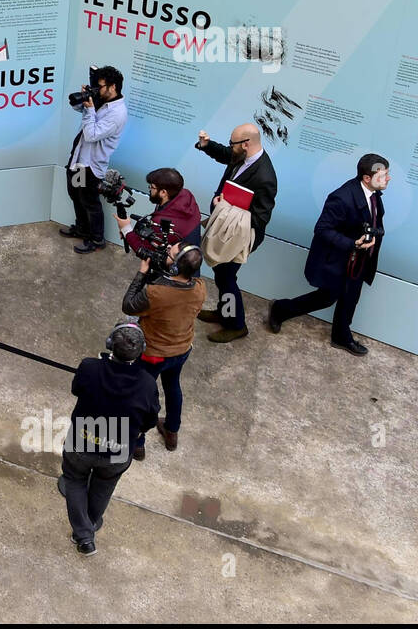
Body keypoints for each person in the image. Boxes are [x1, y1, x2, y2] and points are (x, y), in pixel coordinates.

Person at [268, 154, 389, 356]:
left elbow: (374, 222)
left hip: (358, 261)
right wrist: (353, 243)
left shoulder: (373, 195)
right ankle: (281, 309)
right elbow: (322, 229)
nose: (388, 178)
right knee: (326, 298)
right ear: (367, 178)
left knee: (351, 298)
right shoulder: (342, 197)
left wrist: (374, 237)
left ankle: (341, 336)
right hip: (340, 260)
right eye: (384, 175)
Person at [57, 321, 159, 556]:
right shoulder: (147, 384)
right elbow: (150, 420)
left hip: (81, 443)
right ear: (141, 350)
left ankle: (84, 534)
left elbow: (76, 389)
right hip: (118, 450)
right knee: (104, 486)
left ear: (110, 344)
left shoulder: (90, 367)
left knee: (74, 480)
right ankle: (88, 526)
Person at [121, 243, 206, 457]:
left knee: (142, 395)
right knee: (172, 386)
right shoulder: (200, 288)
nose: (167, 248)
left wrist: (142, 273)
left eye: (171, 251)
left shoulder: (156, 292)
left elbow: (129, 305)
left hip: (153, 355)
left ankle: (138, 444)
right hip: (182, 349)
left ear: (176, 267)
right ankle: (171, 431)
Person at [195, 123, 277, 342]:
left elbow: (260, 218)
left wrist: (224, 206)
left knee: (227, 278)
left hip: (238, 237)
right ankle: (224, 312)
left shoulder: (265, 177)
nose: (230, 147)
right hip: (226, 229)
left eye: (233, 143)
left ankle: (235, 323)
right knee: (222, 277)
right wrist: (207, 145)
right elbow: (227, 155)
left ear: (246, 144)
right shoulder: (245, 156)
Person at [61, 66, 127, 254]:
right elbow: (78, 109)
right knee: (76, 194)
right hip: (80, 161)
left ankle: (97, 239)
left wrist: (90, 110)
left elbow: (91, 134)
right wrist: (84, 99)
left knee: (90, 202)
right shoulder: (102, 100)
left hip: (91, 166)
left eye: (100, 86)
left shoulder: (117, 114)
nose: (97, 89)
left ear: (112, 87)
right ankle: (82, 228)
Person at [113, 167, 201, 252]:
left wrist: (126, 230)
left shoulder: (162, 223)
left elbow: (146, 252)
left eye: (152, 187)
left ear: (163, 192)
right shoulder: (186, 195)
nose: (149, 189)